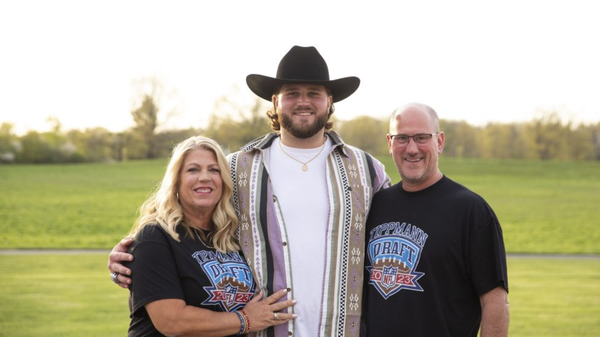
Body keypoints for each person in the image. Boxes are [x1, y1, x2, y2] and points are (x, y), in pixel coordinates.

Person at [109, 46, 392, 337]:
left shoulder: (367, 170)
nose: (303, 102)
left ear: (329, 101)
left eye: (314, 93)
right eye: (292, 93)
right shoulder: (237, 168)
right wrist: (129, 252)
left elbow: (398, 233)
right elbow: (179, 213)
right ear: (275, 101)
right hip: (263, 331)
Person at [122, 135, 295, 337]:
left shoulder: (233, 236)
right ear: (176, 181)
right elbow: (171, 321)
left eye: (214, 170)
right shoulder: (155, 236)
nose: (205, 177)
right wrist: (245, 320)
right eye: (193, 170)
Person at [362, 103, 510, 336]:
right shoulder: (375, 206)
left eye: (421, 137)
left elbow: (495, 301)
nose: (411, 148)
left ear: (439, 142)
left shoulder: (471, 211)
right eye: (402, 138)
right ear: (390, 144)